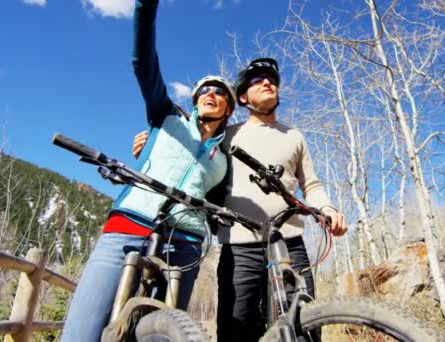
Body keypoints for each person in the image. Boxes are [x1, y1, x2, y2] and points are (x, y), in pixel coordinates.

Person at [133, 57, 348, 342]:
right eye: (257, 80)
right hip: (238, 247)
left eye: (271, 80)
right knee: (236, 329)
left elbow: (312, 184)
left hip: (289, 243)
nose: (267, 82)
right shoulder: (227, 134)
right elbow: (192, 147)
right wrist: (152, 143)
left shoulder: (295, 137)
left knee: (301, 326)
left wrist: (327, 208)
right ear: (244, 98)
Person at [60, 0, 236, 341]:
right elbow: (143, 62)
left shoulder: (222, 161)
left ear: (228, 109)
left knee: (165, 334)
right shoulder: (166, 117)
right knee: (82, 330)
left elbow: (219, 206)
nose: (211, 94)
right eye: (205, 90)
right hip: (129, 226)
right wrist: (146, 7)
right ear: (196, 99)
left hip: (184, 243)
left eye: (220, 92)